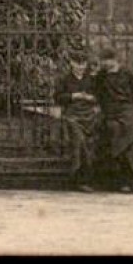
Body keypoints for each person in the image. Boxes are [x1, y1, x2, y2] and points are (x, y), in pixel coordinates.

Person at [94, 47, 133, 194]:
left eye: (106, 61)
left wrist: (129, 106)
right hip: (110, 112)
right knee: (115, 142)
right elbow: (98, 93)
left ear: (114, 60)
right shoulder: (101, 76)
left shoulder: (126, 73)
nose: (104, 64)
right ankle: (121, 181)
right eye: (103, 61)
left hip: (126, 110)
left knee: (132, 144)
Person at [54, 49, 102, 191]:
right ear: (71, 63)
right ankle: (77, 179)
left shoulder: (92, 79)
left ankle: (87, 179)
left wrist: (92, 99)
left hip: (89, 116)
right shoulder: (64, 79)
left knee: (90, 144)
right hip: (72, 116)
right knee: (79, 142)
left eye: (83, 64)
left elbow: (100, 96)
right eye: (77, 63)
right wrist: (74, 96)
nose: (80, 67)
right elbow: (57, 97)